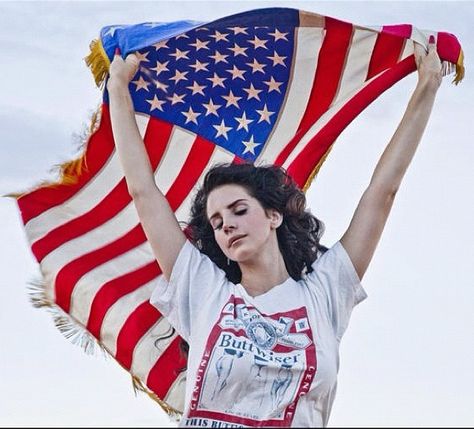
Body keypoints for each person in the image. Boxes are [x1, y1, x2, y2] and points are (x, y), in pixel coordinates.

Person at [106, 35, 442, 427]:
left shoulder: (326, 292)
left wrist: (428, 86)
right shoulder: (203, 291)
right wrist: (118, 92)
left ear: (274, 216)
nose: (226, 224)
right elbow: (144, 193)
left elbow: (381, 193)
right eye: (216, 223)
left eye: (238, 209)